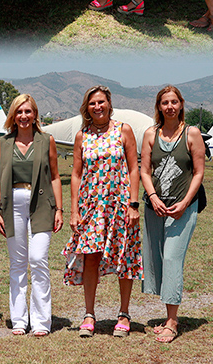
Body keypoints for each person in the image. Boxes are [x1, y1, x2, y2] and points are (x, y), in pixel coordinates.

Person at [63, 85, 142, 338]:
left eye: (101, 102)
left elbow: (133, 168)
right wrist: (74, 211)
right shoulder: (81, 136)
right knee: (91, 256)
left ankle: (124, 314)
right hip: (91, 207)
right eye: (92, 103)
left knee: (124, 256)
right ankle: (88, 314)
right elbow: (75, 174)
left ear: (109, 103)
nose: (97, 107)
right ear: (86, 107)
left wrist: (133, 203)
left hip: (119, 204)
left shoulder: (123, 130)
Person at [0, 94, 63, 336]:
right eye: (19, 112)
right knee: (18, 264)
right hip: (12, 205)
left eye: (28, 111)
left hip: (42, 204)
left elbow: (55, 176)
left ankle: (42, 321)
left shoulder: (47, 140)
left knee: (38, 259)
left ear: (35, 115)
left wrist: (59, 210)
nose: (24, 116)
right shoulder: (4, 143)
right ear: (13, 115)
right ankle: (20, 320)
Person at [140, 85, 205, 343]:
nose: (169, 106)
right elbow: (144, 170)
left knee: (172, 259)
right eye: (164, 102)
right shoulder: (150, 134)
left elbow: (198, 172)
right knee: (157, 258)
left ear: (181, 105)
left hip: (183, 209)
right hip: (155, 207)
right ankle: (168, 314)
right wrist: (153, 197)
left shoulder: (192, 133)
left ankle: (172, 322)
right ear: (159, 106)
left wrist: (186, 202)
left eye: (174, 102)